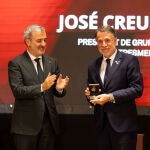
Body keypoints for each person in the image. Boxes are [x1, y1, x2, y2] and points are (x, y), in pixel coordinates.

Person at [8, 24, 69, 150]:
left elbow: (56, 92)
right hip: (26, 127)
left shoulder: (52, 62)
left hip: (49, 125)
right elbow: (18, 90)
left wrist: (59, 88)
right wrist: (42, 87)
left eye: (45, 40)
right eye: (39, 40)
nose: (43, 44)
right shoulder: (16, 63)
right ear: (28, 42)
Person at [85, 25, 143, 150]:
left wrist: (110, 97)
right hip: (101, 126)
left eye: (107, 40)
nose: (104, 44)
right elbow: (94, 94)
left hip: (123, 127)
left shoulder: (129, 60)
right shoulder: (93, 65)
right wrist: (90, 97)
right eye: (100, 41)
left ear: (116, 41)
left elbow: (137, 89)